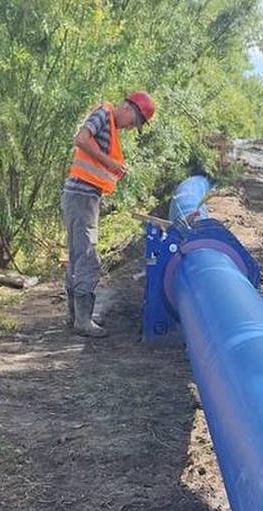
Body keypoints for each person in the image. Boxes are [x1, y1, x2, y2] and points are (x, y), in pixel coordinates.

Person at [61, 92, 156, 337]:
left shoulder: (109, 124)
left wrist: (112, 169)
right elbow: (81, 139)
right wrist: (110, 164)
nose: (129, 127)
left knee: (77, 255)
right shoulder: (103, 113)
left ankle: (75, 318)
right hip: (81, 196)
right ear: (127, 107)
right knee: (88, 257)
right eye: (133, 122)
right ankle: (82, 321)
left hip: (82, 196)